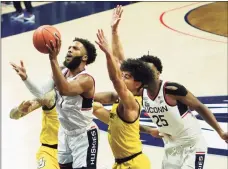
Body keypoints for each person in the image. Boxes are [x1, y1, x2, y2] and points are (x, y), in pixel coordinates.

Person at [109, 5, 228, 169]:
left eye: (151, 70)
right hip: (171, 146)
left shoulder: (171, 89)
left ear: (158, 73)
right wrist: (114, 31)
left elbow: (199, 106)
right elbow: (120, 61)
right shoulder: (141, 90)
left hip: (191, 144)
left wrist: (220, 131)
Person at [10, 37, 98, 169]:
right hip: (64, 134)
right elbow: (41, 92)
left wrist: (53, 59)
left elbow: (64, 89)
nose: (69, 50)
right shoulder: (61, 70)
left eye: (75, 48)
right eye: (69, 47)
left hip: (83, 135)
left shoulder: (86, 79)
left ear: (84, 57)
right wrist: (25, 78)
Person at [95, 28, 152, 169]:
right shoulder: (122, 98)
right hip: (121, 163)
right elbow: (120, 61)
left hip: (134, 165)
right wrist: (114, 32)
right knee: (93, 106)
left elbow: (115, 79)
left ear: (138, 84)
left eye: (126, 77)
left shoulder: (132, 103)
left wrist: (108, 54)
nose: (122, 77)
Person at [9, 90, 59, 169]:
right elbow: (13, 115)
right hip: (49, 152)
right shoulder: (52, 96)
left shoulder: (84, 99)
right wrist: (18, 110)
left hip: (74, 153)